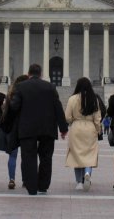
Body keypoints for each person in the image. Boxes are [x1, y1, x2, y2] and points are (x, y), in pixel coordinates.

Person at [9, 63, 68, 195]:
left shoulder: (21, 87)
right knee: (46, 157)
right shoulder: (50, 87)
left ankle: (31, 187)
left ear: (29, 74)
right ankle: (43, 185)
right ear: (41, 74)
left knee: (28, 157)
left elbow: (14, 107)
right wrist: (63, 128)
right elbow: (58, 108)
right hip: (47, 128)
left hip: (27, 128)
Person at [64, 77, 101, 191]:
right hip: (90, 128)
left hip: (77, 127)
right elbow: (97, 118)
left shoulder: (72, 99)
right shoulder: (94, 99)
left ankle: (79, 182)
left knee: (77, 155)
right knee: (89, 153)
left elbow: (67, 117)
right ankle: (87, 172)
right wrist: (98, 130)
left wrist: (72, 122)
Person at [1, 74, 28, 189]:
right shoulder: (28, 95)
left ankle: (11, 179)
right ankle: (25, 180)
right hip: (25, 127)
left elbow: (5, 111)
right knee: (27, 155)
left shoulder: (10, 95)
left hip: (12, 127)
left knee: (13, 155)